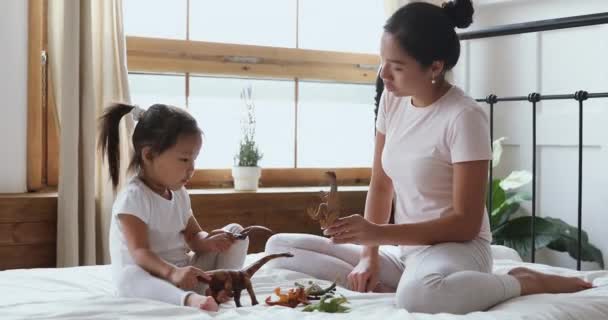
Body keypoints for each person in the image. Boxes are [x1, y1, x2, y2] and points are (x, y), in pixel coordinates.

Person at [265, 0, 593, 314]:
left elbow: (465, 224)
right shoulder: (393, 102)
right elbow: (380, 186)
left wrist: (377, 234)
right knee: (279, 249)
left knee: (420, 295)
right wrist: (370, 256)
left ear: (435, 67)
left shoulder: (464, 116)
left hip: (459, 250)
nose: (384, 75)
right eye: (383, 61)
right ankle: (403, 280)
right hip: (409, 251)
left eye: (396, 66)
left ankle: (520, 281)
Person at [99, 103, 249, 311]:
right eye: (184, 159)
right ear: (149, 155)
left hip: (183, 274)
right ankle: (188, 300)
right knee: (129, 277)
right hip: (150, 276)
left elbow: (193, 236)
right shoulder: (134, 197)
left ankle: (219, 285)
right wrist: (171, 273)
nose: (192, 168)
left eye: (194, 159)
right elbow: (140, 251)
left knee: (236, 232)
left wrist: (210, 241)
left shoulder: (178, 193)